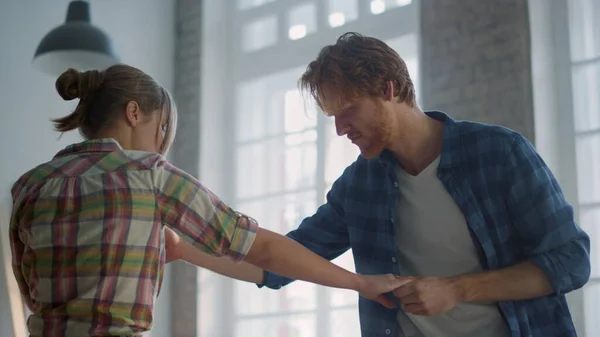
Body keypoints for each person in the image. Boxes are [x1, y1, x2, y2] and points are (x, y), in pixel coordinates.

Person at [166, 32, 591, 337]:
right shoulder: (359, 186)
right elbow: (280, 263)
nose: (340, 129)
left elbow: (571, 261)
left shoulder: (499, 153)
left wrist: (457, 289)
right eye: (333, 116)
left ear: (389, 89)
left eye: (348, 110)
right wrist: (184, 250)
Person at [8, 64, 409, 337]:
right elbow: (259, 246)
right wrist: (360, 283)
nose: (162, 144)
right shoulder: (148, 173)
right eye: (162, 127)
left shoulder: (30, 185)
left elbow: (28, 286)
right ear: (134, 113)